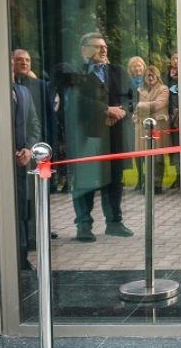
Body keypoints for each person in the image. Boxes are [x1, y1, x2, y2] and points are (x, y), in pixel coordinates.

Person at [60, 32, 134, 242]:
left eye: (104, 47)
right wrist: (104, 110)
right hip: (86, 137)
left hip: (114, 135)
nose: (103, 50)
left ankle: (114, 223)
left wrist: (119, 112)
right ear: (83, 50)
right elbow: (74, 100)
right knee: (85, 181)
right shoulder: (74, 73)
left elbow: (131, 98)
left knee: (115, 181)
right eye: (97, 46)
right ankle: (83, 225)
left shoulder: (117, 72)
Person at [10, 61, 41, 270]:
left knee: (20, 209)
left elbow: (34, 124)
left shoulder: (23, 92)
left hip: (21, 160)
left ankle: (21, 257)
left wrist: (28, 149)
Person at [133, 65, 170, 194]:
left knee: (158, 157)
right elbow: (136, 107)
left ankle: (157, 184)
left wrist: (141, 105)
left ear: (157, 76)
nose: (150, 78)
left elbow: (158, 104)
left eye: (152, 75)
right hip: (142, 126)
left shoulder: (163, 89)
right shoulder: (139, 90)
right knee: (143, 156)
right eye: (147, 75)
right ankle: (145, 183)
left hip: (157, 126)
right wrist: (142, 107)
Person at [126, 56, 147, 190]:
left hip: (145, 118)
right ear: (130, 68)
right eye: (134, 66)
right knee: (136, 149)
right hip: (131, 119)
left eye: (139, 65)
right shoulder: (127, 83)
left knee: (145, 149)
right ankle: (140, 178)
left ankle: (148, 179)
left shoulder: (149, 81)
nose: (137, 68)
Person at [164, 51, 181, 189]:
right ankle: (178, 176)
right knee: (175, 149)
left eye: (178, 58)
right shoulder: (166, 79)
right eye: (173, 59)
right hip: (172, 120)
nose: (175, 61)